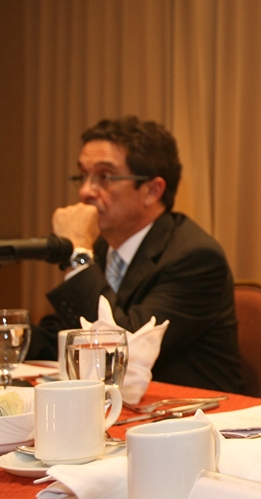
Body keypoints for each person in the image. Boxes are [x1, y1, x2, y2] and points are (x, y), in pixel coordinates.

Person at [31, 116, 243, 393]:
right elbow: (57, 339)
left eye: (104, 177)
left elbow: (120, 352)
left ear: (152, 191)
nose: (85, 191)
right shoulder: (104, 248)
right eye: (82, 176)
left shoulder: (196, 258)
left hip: (189, 424)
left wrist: (78, 258)